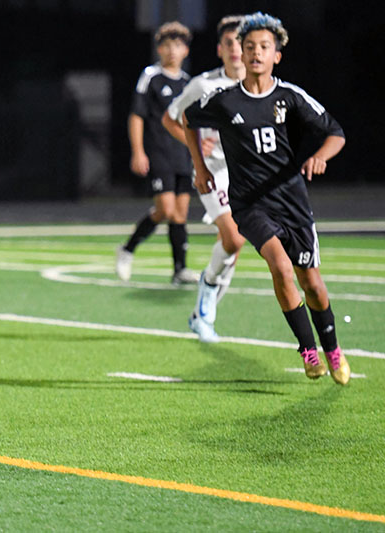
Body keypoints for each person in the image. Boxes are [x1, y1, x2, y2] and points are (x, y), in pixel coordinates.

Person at [183, 12, 350, 384]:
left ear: (277, 55)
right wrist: (200, 168)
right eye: (249, 47)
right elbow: (187, 120)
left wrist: (321, 155)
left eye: (264, 47)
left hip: (292, 203)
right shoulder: (223, 100)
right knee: (280, 266)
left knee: (314, 287)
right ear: (239, 53)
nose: (255, 52)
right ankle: (309, 352)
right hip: (249, 205)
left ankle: (333, 349)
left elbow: (335, 132)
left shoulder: (290, 97)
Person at [162, 15, 248, 342]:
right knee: (234, 239)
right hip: (213, 172)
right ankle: (205, 301)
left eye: (242, 43)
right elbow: (172, 118)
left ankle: (202, 316)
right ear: (220, 49)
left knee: (231, 249)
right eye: (230, 43)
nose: (237, 49)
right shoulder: (203, 85)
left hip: (247, 174)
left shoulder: (260, 84)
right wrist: (194, 142)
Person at [116, 21, 199, 286]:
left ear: (186, 50)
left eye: (178, 45)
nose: (172, 50)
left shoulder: (189, 83)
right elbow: (137, 116)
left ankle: (179, 270)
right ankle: (128, 248)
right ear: (159, 49)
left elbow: (192, 123)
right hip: (159, 153)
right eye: (166, 45)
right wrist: (138, 151)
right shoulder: (151, 76)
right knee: (165, 209)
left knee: (180, 213)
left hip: (183, 156)